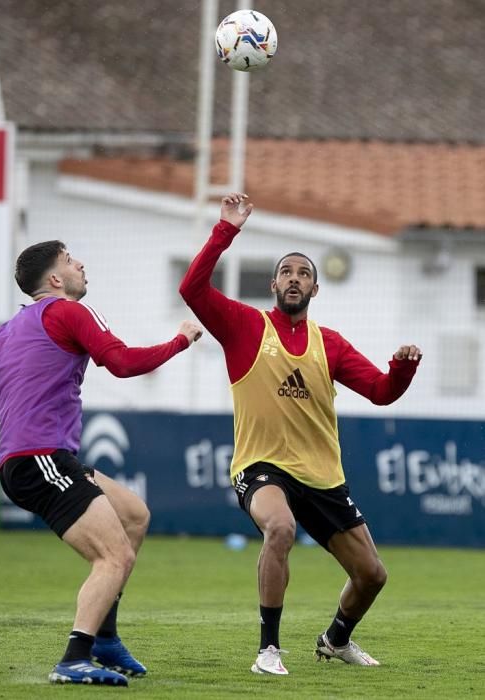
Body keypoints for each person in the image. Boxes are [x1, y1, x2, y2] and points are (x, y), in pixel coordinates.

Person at [0, 239, 202, 687]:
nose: (81, 263)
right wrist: (181, 340)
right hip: (40, 459)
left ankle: (105, 638)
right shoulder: (69, 312)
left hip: (38, 460)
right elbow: (120, 363)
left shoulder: (5, 332)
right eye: (70, 260)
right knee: (113, 556)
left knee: (134, 516)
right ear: (56, 280)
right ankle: (75, 656)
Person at [179, 194, 422, 675]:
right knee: (280, 528)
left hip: (322, 476)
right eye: (286, 272)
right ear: (273, 284)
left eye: (303, 273)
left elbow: (380, 392)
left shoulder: (328, 343)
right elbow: (192, 287)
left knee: (372, 575)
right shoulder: (245, 326)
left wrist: (403, 368)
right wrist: (226, 229)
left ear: (315, 289)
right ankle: (268, 649)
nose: (294, 278)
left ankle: (335, 640)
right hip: (262, 466)